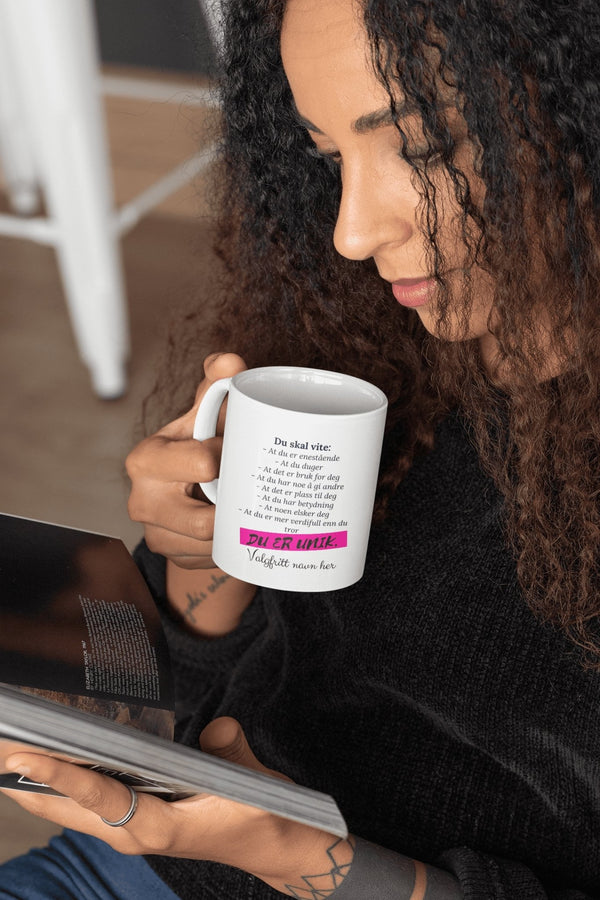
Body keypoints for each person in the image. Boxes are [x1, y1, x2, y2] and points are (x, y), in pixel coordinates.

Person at [2, 0, 600, 896]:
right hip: (144, 866)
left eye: (422, 148)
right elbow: (194, 689)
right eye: (327, 156)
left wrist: (298, 855)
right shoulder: (361, 336)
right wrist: (200, 563)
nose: (352, 233)